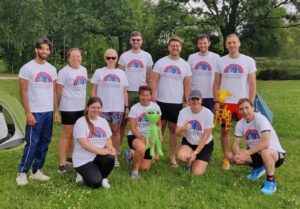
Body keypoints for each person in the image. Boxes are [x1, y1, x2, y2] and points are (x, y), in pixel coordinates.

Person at [16, 38, 58, 186]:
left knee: (45, 142)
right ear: (36, 50)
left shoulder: (52, 69)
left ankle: (36, 171)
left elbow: (53, 91)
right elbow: (23, 91)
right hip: (35, 112)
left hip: (48, 112)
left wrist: (56, 111)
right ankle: (22, 172)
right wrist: (28, 113)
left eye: (47, 49)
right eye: (42, 49)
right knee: (32, 143)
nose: (45, 51)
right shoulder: (27, 68)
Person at [213, 34, 256, 170]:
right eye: (229, 43)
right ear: (226, 45)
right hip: (226, 103)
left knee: (250, 130)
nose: (232, 45)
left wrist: (251, 102)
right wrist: (216, 101)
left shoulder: (248, 61)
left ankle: (252, 158)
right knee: (225, 131)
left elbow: (252, 83)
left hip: (243, 102)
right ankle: (226, 158)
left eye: (234, 42)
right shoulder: (221, 61)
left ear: (239, 44)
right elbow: (216, 82)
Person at [228, 98, 285, 195]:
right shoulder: (240, 123)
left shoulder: (260, 119)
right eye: (241, 109)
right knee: (230, 156)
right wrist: (237, 155)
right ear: (239, 111)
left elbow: (266, 142)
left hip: (275, 154)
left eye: (247, 108)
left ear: (252, 108)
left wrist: (246, 153)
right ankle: (259, 167)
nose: (245, 111)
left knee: (264, 152)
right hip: (256, 153)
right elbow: (235, 143)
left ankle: (271, 182)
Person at [151, 36, 192, 167]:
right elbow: (154, 82)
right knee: (159, 128)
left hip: (176, 103)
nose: (175, 48)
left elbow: (187, 85)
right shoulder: (160, 63)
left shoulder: (185, 65)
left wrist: (187, 101)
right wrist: (153, 99)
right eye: (172, 46)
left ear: (180, 48)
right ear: (168, 47)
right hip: (160, 101)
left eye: (177, 46)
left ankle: (172, 157)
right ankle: (156, 154)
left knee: (174, 131)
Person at [91, 48, 129, 167]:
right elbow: (94, 90)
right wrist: (92, 105)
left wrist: (126, 107)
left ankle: (114, 156)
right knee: (100, 132)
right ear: (105, 58)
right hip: (101, 108)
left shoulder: (121, 73)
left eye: (113, 58)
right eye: (108, 58)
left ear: (117, 58)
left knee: (115, 131)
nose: (111, 60)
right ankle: (100, 155)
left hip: (117, 107)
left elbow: (124, 91)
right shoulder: (99, 72)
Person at [119, 31, 154, 146]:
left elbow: (149, 75)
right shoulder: (124, 56)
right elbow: (120, 74)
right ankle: (118, 147)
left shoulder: (147, 56)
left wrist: (147, 91)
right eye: (134, 40)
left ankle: (142, 145)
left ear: (141, 41)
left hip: (142, 93)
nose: (136, 42)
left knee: (142, 121)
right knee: (123, 122)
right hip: (127, 92)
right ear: (130, 41)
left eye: (138, 40)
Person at [56, 48, 88, 173]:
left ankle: (72, 157)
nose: (76, 58)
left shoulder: (84, 70)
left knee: (75, 134)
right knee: (66, 135)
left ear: (81, 57)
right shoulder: (64, 72)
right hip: (68, 107)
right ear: (68, 58)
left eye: (78, 56)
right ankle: (62, 164)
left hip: (80, 107)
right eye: (73, 56)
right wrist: (56, 110)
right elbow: (57, 92)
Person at [73, 97, 115, 189]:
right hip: (83, 159)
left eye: (98, 108)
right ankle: (81, 174)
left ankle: (103, 178)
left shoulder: (103, 121)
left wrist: (110, 147)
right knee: (95, 183)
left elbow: (108, 138)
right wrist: (102, 151)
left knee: (110, 158)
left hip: (97, 156)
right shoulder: (80, 122)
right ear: (87, 108)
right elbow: (84, 144)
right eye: (93, 107)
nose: (96, 110)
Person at [126, 85, 162, 178]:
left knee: (145, 168)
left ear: (151, 96)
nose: (145, 98)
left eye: (147, 95)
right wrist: (143, 139)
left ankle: (132, 154)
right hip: (136, 136)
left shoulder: (156, 107)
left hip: (150, 137)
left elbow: (159, 124)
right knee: (142, 148)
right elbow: (133, 128)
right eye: (143, 95)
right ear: (139, 95)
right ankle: (135, 171)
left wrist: (157, 136)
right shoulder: (134, 108)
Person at [176, 90, 214, 175]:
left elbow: (206, 136)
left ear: (201, 100)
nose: (195, 101)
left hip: (205, 145)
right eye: (193, 99)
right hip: (189, 143)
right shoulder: (183, 112)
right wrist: (183, 128)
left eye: (197, 99)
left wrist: (195, 152)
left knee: (196, 172)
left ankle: (203, 158)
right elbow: (177, 133)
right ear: (189, 100)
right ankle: (192, 161)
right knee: (181, 155)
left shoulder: (208, 113)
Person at [187, 34, 219, 113]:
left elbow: (219, 77)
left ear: (209, 43)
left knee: (209, 121)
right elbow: (188, 78)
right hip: (195, 95)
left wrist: (217, 98)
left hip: (210, 95)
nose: (202, 45)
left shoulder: (216, 57)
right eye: (200, 43)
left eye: (205, 43)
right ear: (197, 44)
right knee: (194, 119)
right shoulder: (191, 57)